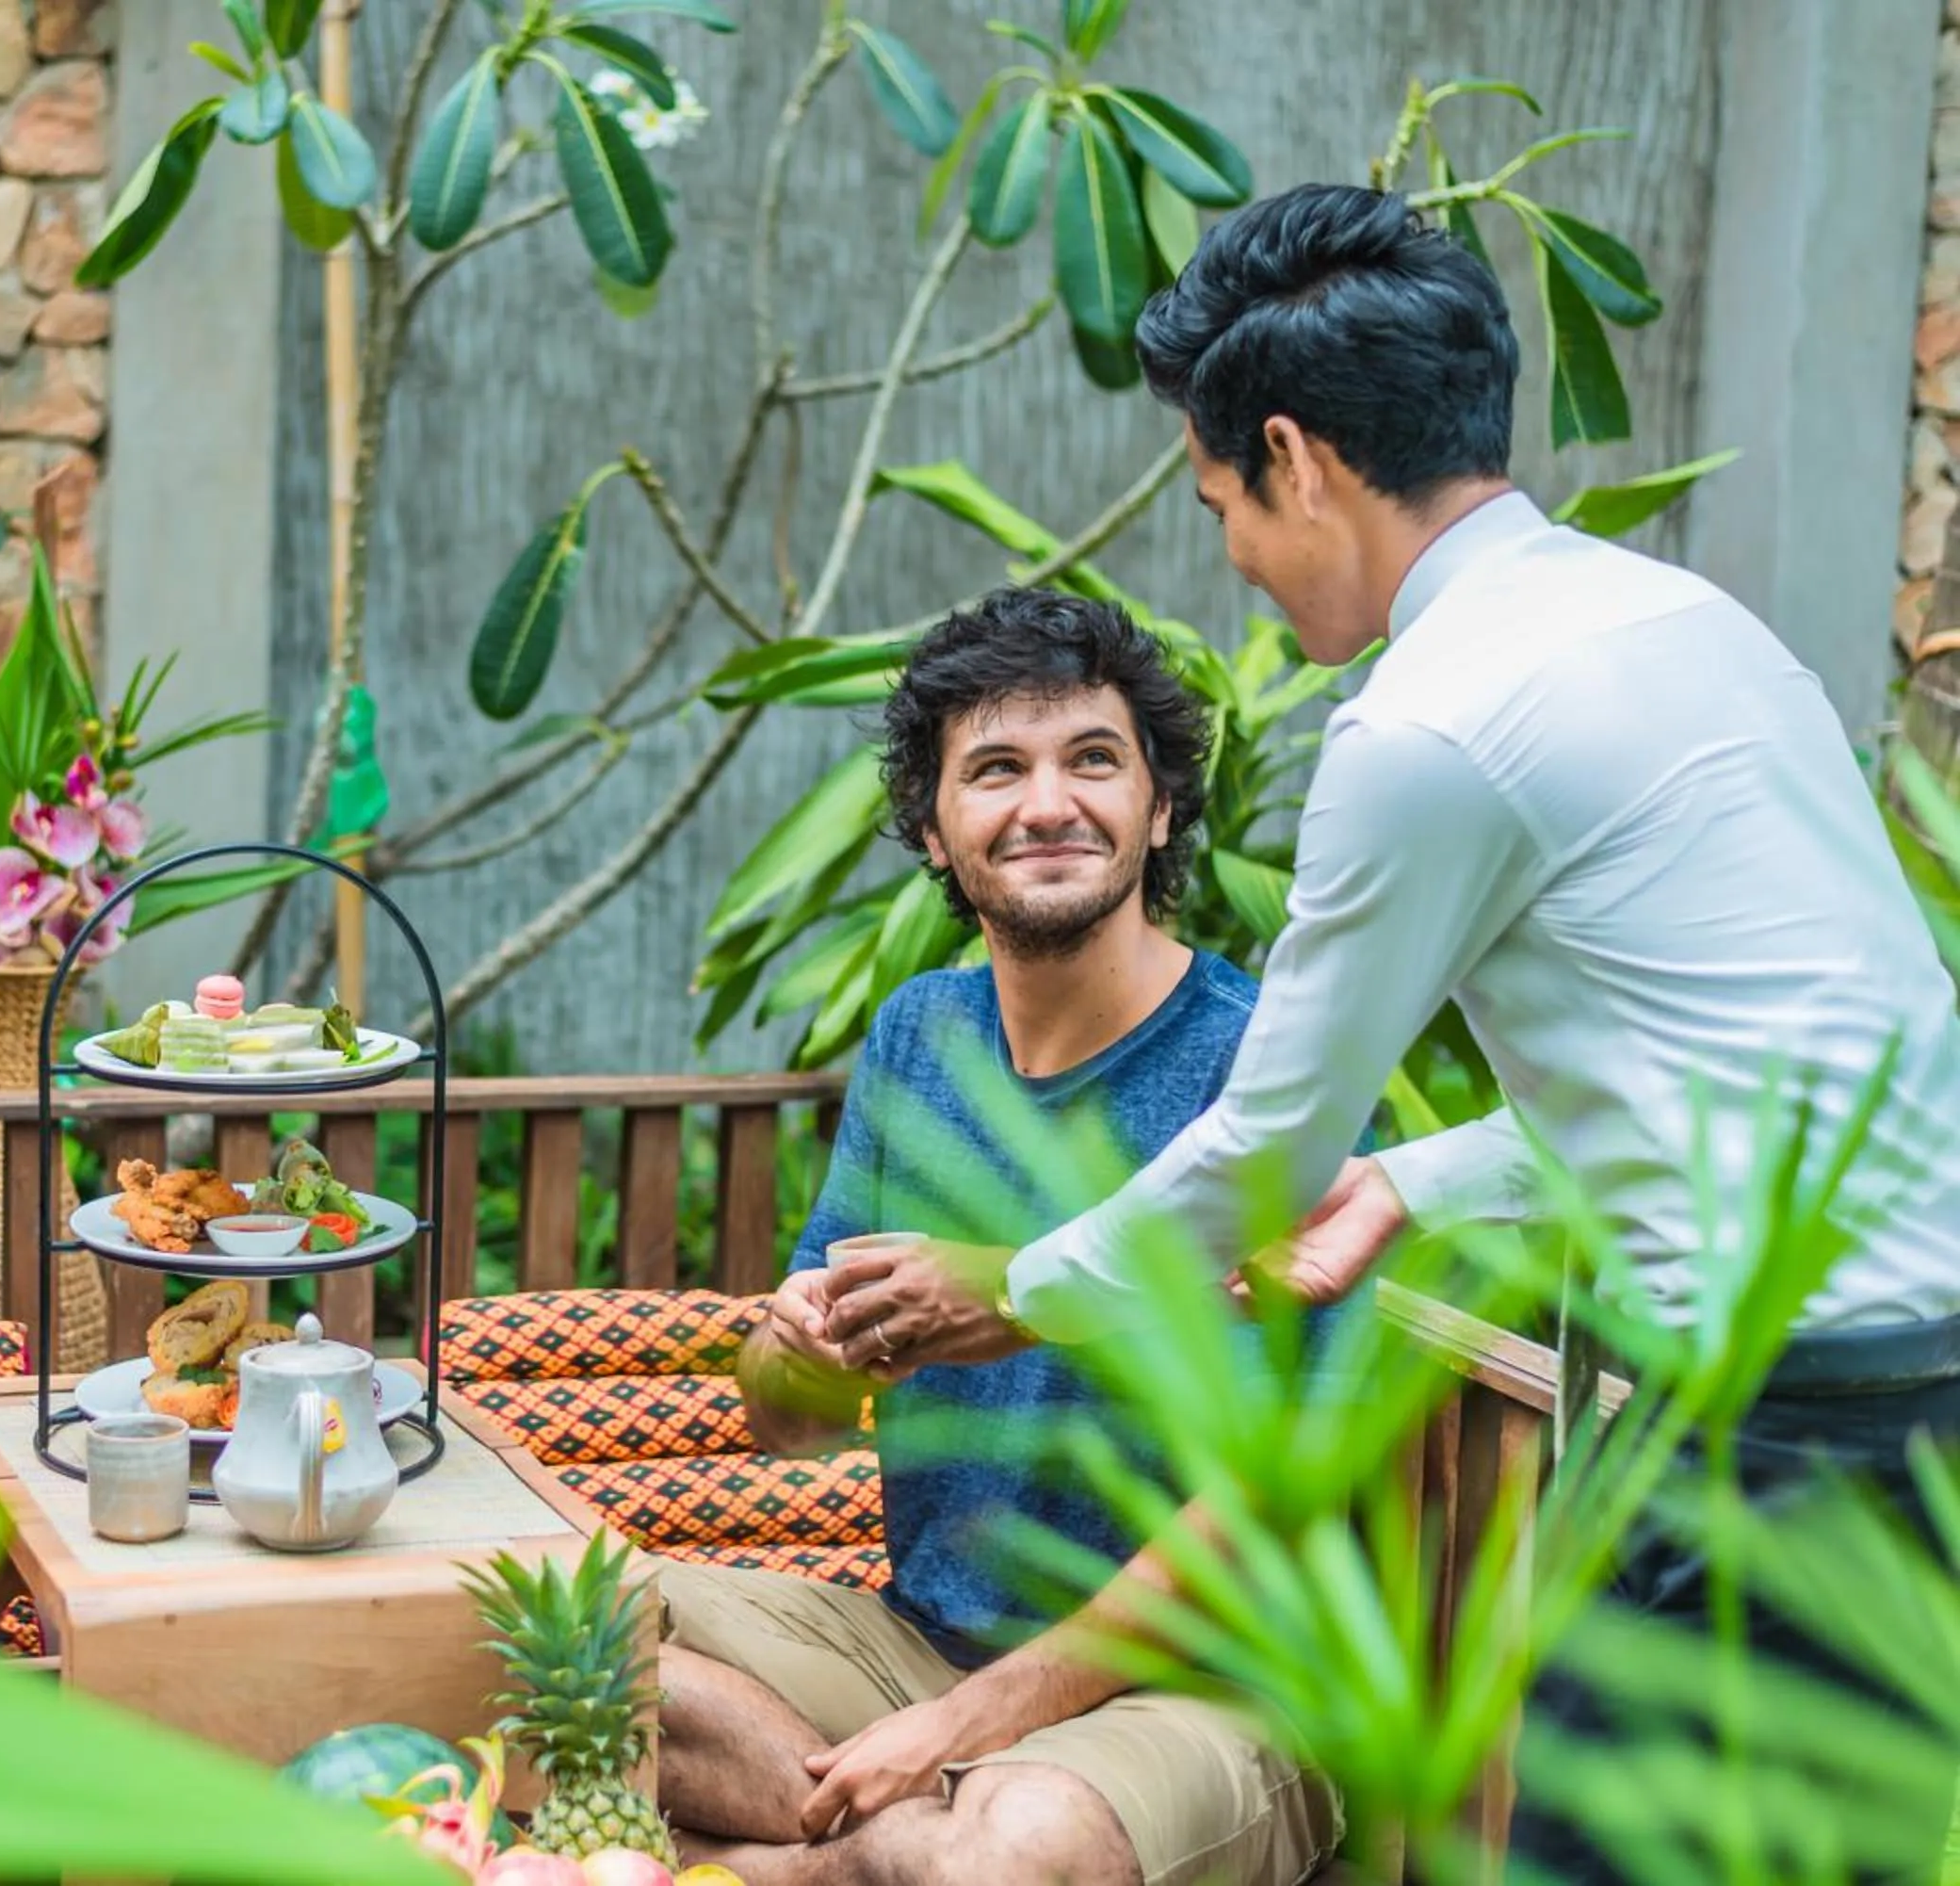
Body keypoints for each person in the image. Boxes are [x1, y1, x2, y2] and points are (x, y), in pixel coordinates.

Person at [810, 184, 1960, 1881]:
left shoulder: (1429, 724)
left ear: (1291, 458)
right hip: (1907, 1397)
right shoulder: (1689, 629)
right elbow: (1799, 1067)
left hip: (1772, 1429)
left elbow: (1267, 1148)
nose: (1235, 556)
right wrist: (1416, 1181)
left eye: (1221, 503)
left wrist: (1016, 1288)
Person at [658, 589, 1347, 1886]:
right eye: (995, 769)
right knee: (553, 1636)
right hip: (917, 1643)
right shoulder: (921, 1036)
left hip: (1197, 1688)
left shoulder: (1265, 1075)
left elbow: (1266, 1511)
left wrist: (962, 1728)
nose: (1048, 803)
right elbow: (789, 1422)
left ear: (1160, 808)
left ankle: (794, 1861)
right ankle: (900, 1857)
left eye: (1092, 758)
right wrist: (798, 1345)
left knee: (1020, 1844)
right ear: (933, 828)